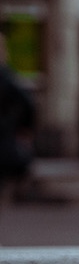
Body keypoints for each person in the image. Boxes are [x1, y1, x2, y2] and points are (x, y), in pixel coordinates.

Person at [0, 33, 36, 206]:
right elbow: (28, 104)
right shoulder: (5, 76)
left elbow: (27, 104)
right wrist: (25, 127)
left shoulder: (5, 76)